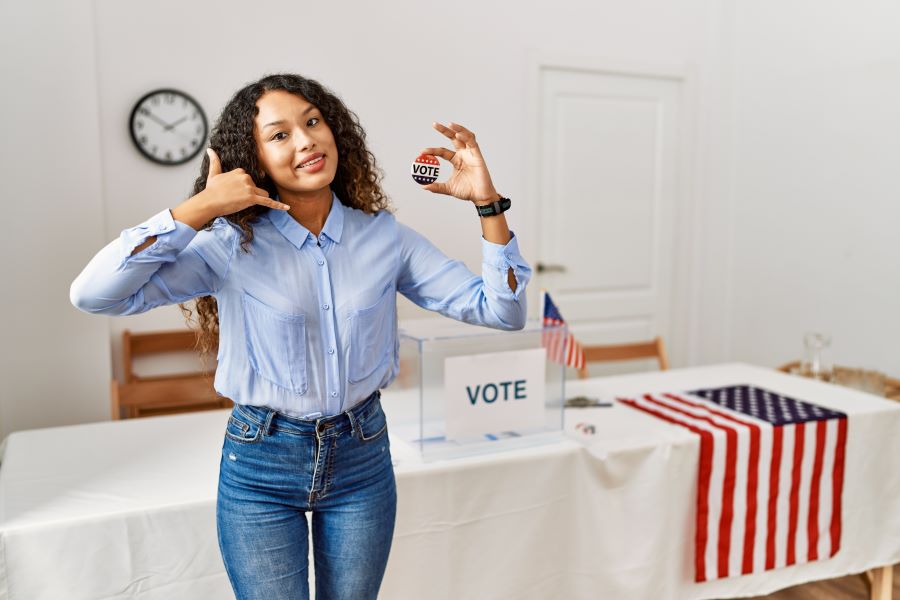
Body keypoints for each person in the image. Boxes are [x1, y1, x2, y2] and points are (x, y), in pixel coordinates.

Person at [70, 73, 531, 600]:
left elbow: (503, 310)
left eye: (312, 122)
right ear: (253, 159)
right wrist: (197, 210)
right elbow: (95, 294)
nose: (306, 140)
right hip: (261, 463)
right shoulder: (228, 244)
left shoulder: (385, 237)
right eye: (280, 134)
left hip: (363, 459)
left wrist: (488, 205)